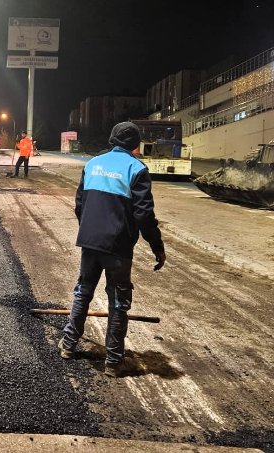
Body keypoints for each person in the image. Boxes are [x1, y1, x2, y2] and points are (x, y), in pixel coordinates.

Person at [57, 121, 166, 378]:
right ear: (135, 145)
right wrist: (157, 246)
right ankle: (114, 361)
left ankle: (68, 345)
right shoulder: (137, 169)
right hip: (117, 247)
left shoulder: (93, 164)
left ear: (111, 140)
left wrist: (90, 229)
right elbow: (144, 215)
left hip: (90, 242)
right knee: (119, 301)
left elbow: (79, 204)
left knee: (83, 292)